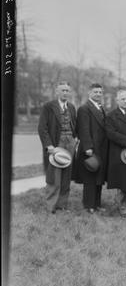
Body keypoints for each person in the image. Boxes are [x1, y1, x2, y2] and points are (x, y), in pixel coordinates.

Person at [38, 81, 77, 213]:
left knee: (66, 175)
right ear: (57, 92)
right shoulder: (48, 106)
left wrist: (75, 139)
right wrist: (48, 145)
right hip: (56, 143)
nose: (65, 93)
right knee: (54, 176)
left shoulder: (71, 107)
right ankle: (51, 207)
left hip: (70, 142)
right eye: (62, 90)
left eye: (67, 90)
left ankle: (62, 205)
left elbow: (74, 125)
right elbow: (42, 128)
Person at [73, 83, 109, 214]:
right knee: (90, 178)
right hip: (91, 149)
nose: (98, 94)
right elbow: (83, 129)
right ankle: (89, 206)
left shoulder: (101, 108)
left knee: (98, 178)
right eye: (95, 92)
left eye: (100, 92)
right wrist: (88, 147)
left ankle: (97, 204)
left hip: (101, 148)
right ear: (89, 93)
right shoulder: (84, 108)